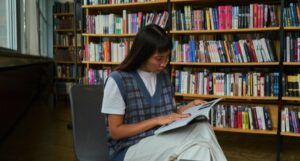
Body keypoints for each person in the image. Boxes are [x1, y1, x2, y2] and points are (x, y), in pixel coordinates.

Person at [101, 24, 227, 161]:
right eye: (159, 58)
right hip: (129, 149)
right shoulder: (118, 80)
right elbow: (116, 132)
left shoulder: (163, 76)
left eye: (167, 57)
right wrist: (156, 121)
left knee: (199, 143)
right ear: (142, 55)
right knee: (199, 138)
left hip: (161, 140)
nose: (164, 63)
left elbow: (168, 116)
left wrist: (190, 107)